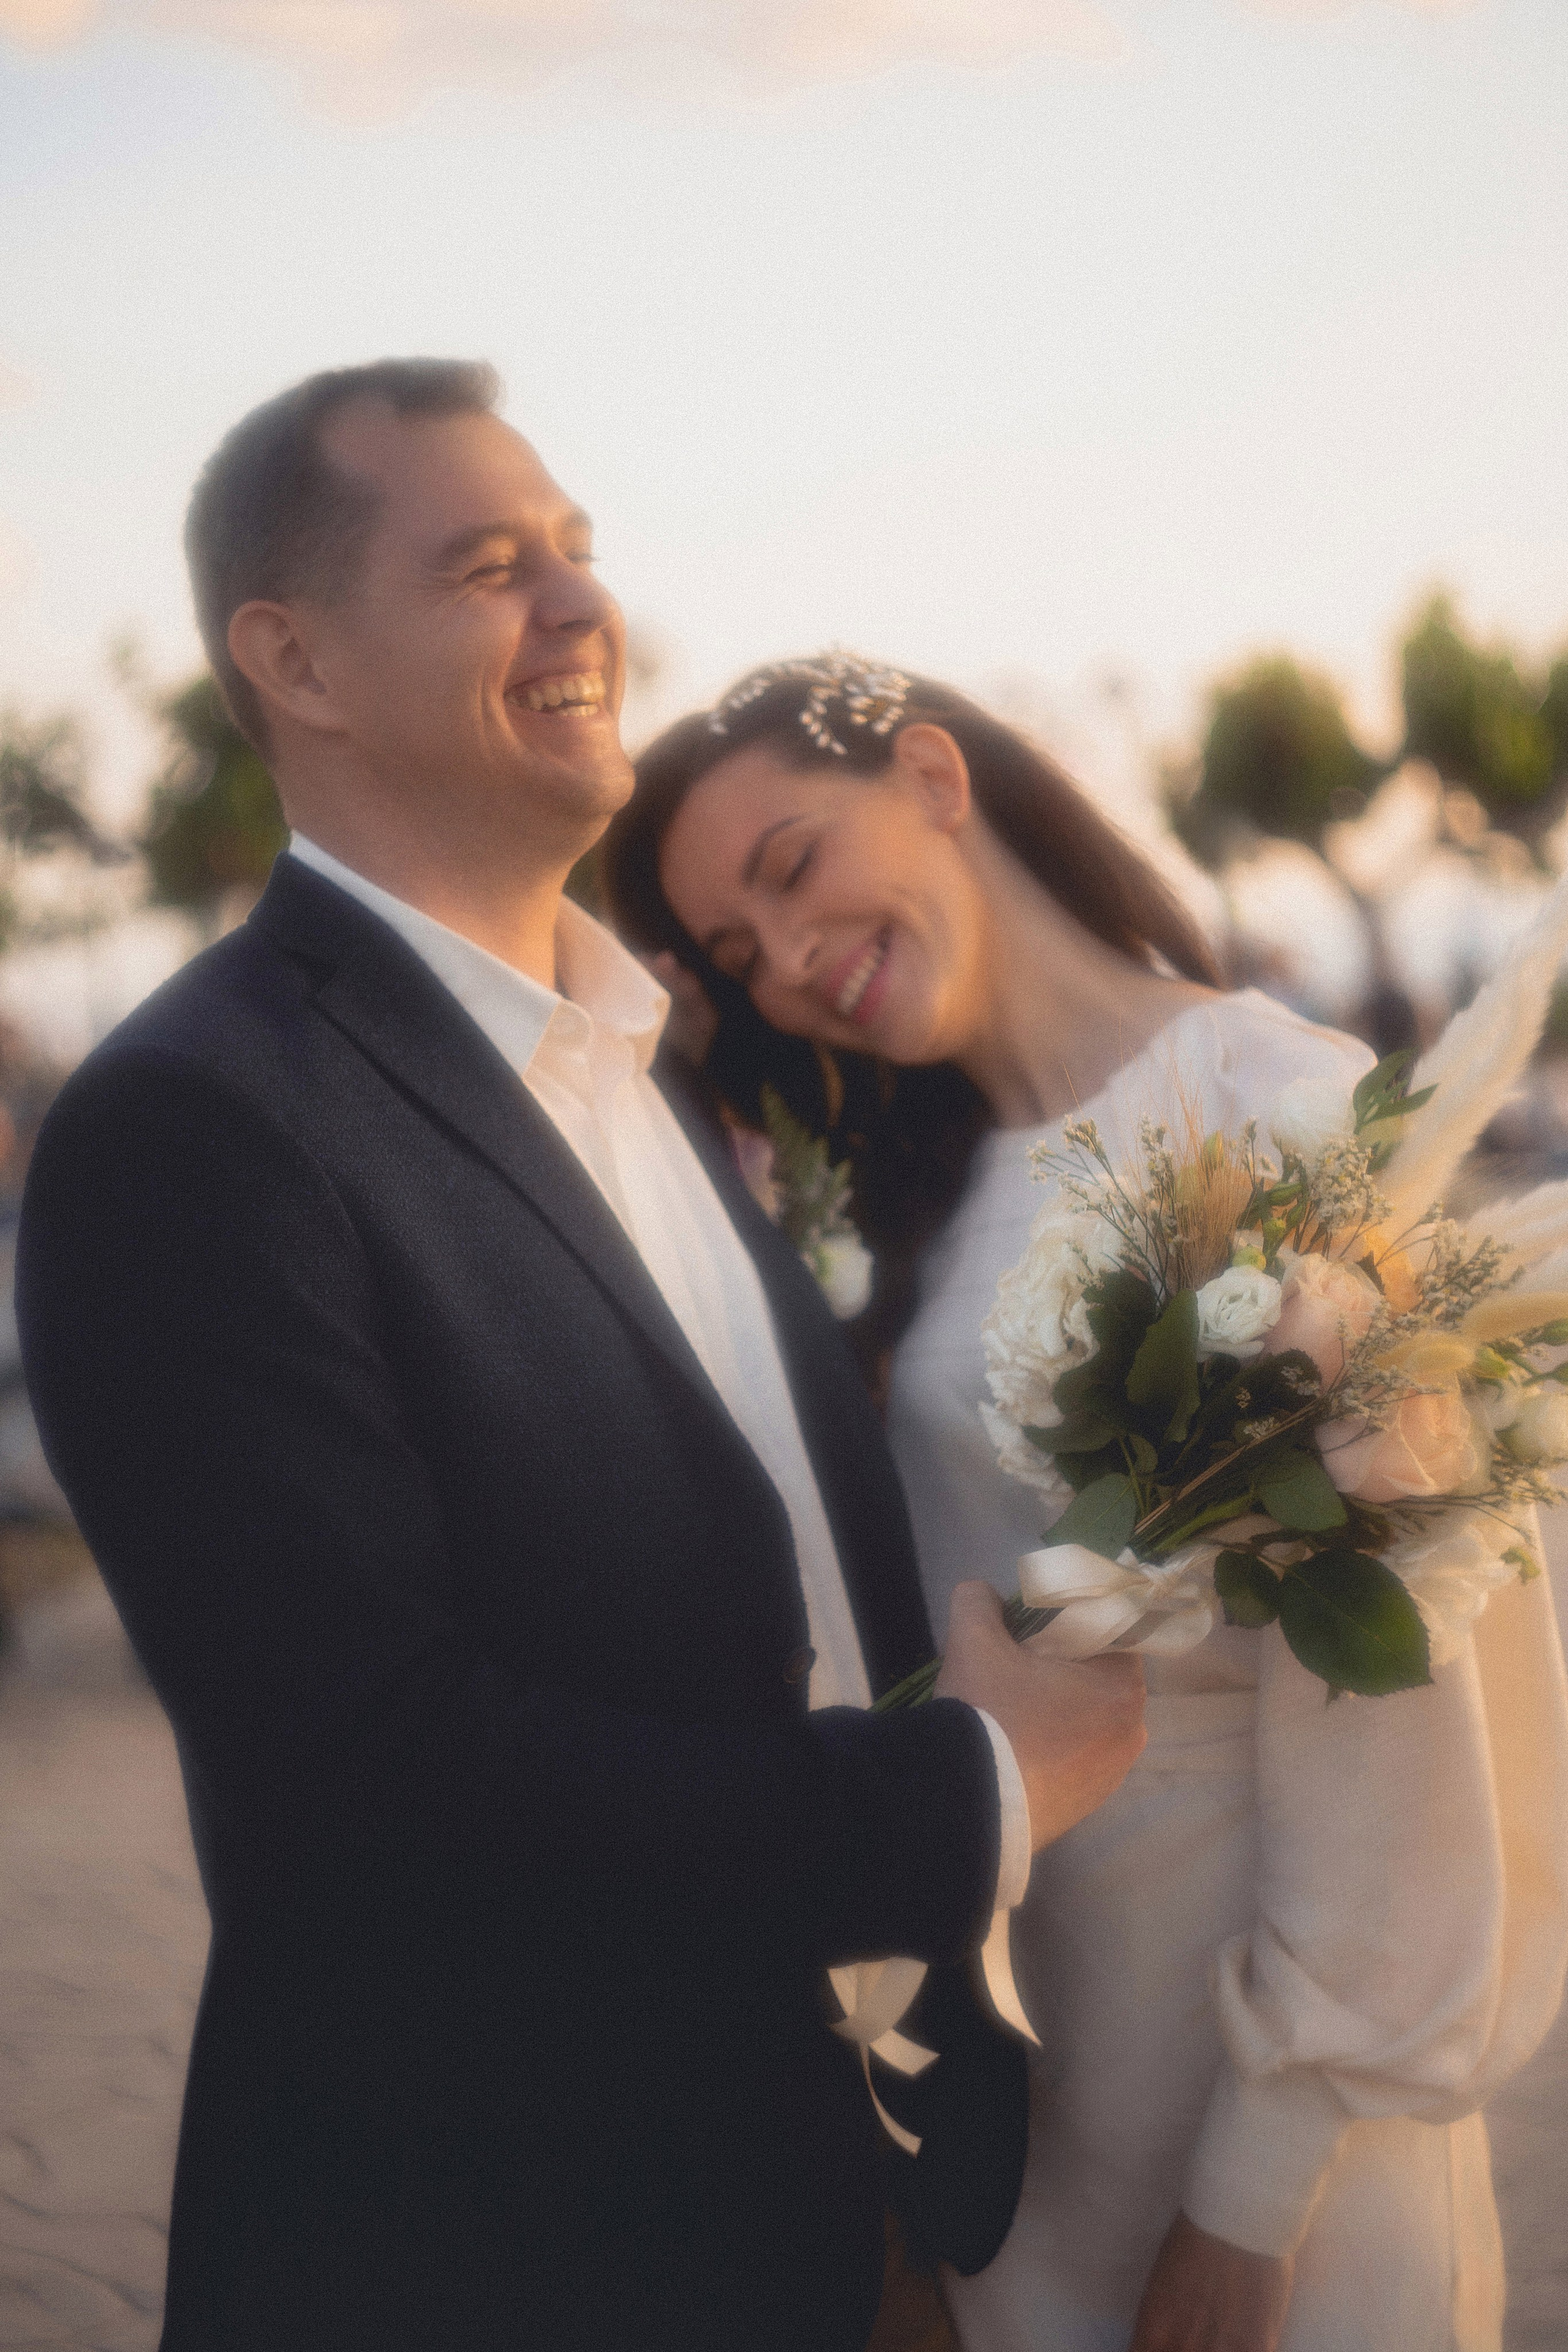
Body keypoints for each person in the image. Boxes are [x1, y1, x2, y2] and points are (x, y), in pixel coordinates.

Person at [16, 371, 1148, 2352]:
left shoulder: (647, 1063)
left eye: (578, 552)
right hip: (511, 2253)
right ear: (291, 658)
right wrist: (961, 1792)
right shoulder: (194, 1123)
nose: (576, 609)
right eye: (485, 566)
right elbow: (368, 1800)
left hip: (847, 2214)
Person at [603, 652, 1568, 2352]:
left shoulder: (1280, 1109)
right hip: (1011, 2092)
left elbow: (1408, 1721)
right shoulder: (909, 1199)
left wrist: (1252, 2201)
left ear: (932, 775)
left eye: (791, 865)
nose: (794, 962)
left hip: (1256, 2120)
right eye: (742, 957)